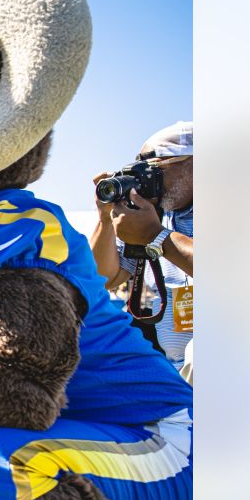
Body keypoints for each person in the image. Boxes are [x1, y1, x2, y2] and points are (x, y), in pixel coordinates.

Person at [89, 121, 194, 384]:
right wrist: (105, 219)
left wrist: (155, 236)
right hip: (176, 369)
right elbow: (104, 278)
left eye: (154, 168)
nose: (144, 178)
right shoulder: (155, 217)